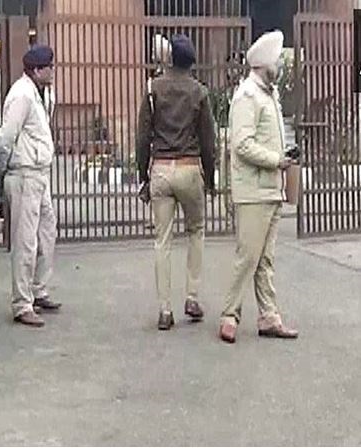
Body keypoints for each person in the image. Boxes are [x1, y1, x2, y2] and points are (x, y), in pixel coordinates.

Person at [219, 30, 299, 344]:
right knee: (248, 257)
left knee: (265, 259)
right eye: (277, 59)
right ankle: (229, 315)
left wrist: (284, 159)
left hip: (270, 188)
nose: (280, 64)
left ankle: (269, 317)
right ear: (265, 62)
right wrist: (276, 160)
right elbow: (242, 145)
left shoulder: (269, 95)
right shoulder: (247, 96)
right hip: (253, 190)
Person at [136, 34, 216, 331]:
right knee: (196, 230)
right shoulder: (200, 93)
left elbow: (143, 137)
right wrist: (211, 176)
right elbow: (208, 141)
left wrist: (143, 174)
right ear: (192, 62)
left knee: (162, 240)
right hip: (189, 166)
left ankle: (164, 309)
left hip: (160, 169)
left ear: (168, 59)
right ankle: (192, 296)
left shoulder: (152, 89)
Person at [0, 45, 60, 328]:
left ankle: (38, 289)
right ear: (37, 70)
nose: (52, 71)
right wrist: (3, 168)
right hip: (23, 172)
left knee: (47, 229)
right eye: (49, 67)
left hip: (38, 173)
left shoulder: (40, 93)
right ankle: (22, 303)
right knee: (25, 240)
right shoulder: (22, 95)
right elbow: (5, 136)